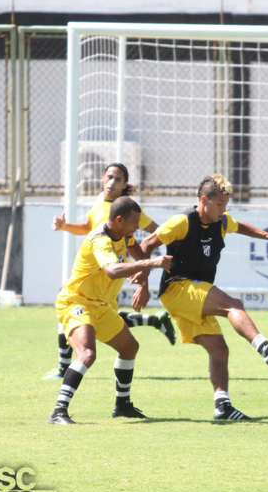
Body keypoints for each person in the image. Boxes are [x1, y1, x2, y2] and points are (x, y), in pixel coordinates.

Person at [135, 174, 268, 421]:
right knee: (233, 305)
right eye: (220, 204)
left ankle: (222, 406)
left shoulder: (221, 221)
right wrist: (143, 283)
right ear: (204, 200)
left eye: (226, 205)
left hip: (196, 289)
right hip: (177, 288)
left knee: (219, 349)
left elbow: (240, 226)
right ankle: (266, 349)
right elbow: (146, 245)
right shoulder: (180, 222)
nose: (224, 210)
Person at [44, 162, 175, 381]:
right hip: (92, 273)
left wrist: (148, 274)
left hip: (107, 277)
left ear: (125, 185)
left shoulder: (127, 211)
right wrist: (65, 226)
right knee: (82, 318)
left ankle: (63, 370)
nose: (112, 182)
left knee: (89, 320)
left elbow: (155, 234)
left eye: (118, 179)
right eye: (110, 177)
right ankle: (154, 321)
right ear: (102, 177)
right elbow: (87, 227)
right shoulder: (100, 201)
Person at [48, 196, 172, 425]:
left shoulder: (124, 236)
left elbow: (140, 255)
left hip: (100, 306)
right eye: (135, 222)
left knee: (129, 347)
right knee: (87, 354)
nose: (138, 227)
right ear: (118, 219)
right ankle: (58, 412)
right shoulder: (100, 239)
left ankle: (122, 405)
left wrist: (144, 283)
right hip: (76, 302)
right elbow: (112, 270)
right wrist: (151, 264)